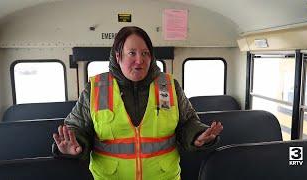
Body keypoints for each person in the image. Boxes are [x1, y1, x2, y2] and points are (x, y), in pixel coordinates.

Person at [52, 26, 223, 180]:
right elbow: (76, 127)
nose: (139, 60)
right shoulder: (96, 88)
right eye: (132, 53)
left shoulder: (169, 86)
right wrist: (74, 144)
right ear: (118, 56)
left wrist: (197, 135)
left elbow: (188, 122)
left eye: (145, 53)